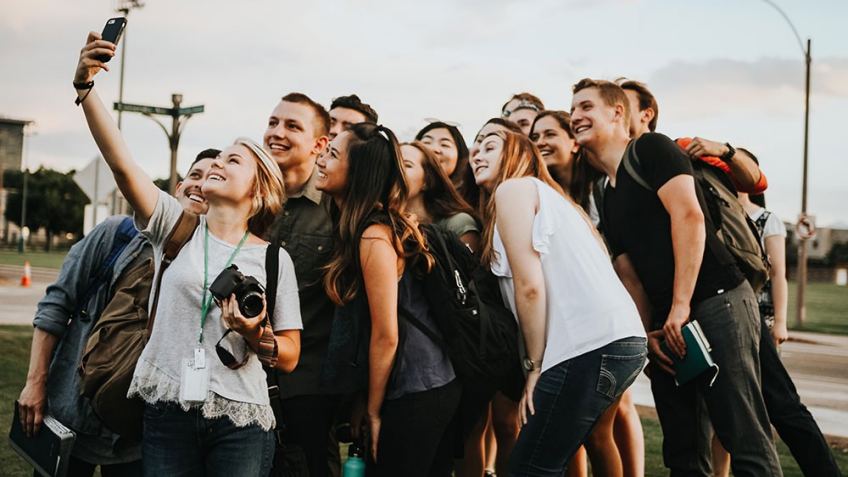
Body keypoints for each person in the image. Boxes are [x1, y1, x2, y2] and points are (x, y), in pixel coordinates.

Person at [73, 32, 302, 476]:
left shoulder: (276, 260)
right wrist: (86, 87)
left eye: (232, 161)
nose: (217, 164)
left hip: (241, 420)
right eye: (217, 159)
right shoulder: (174, 227)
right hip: (168, 412)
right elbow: (122, 164)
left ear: (258, 191)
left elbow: (289, 355)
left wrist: (253, 332)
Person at [621, 79, 841, 476]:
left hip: (723, 290)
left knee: (776, 405)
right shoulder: (616, 179)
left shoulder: (673, 149)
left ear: (645, 114)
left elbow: (755, 181)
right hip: (680, 307)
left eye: (621, 102)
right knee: (701, 421)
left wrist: (723, 149)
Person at [571, 77, 783, 476]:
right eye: (573, 109)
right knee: (683, 445)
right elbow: (629, 274)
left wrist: (681, 305)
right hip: (667, 325)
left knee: (741, 432)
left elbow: (689, 216)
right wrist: (645, 335)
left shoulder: (652, 148)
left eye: (586, 106)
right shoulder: (604, 192)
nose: (575, 116)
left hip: (716, 298)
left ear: (617, 113)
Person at [17, 149, 217, 477]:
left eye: (213, 179)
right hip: (71, 412)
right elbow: (55, 306)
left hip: (140, 435)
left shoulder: (212, 269)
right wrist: (35, 383)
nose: (201, 185)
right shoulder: (117, 234)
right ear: (178, 188)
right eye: (195, 175)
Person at [471, 129, 647, 476]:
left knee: (530, 467)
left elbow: (530, 287)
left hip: (586, 346)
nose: (477, 153)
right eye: (475, 148)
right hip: (619, 341)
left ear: (518, 154)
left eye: (489, 146)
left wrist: (535, 367)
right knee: (559, 455)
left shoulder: (513, 190)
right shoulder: (562, 204)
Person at [317, 123, 461, 476]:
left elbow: (386, 334)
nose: (321, 158)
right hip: (411, 386)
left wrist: (373, 411)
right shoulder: (357, 227)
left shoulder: (374, 236)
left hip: (419, 389)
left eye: (332, 154)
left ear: (358, 173)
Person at [263, 93, 341, 477]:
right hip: (243, 379)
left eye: (292, 126)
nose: (277, 133)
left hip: (309, 387)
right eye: (273, 123)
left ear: (319, 144)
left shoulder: (337, 207)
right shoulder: (251, 199)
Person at [401, 141, 480, 251]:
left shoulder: (458, 224)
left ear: (427, 181)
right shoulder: (383, 223)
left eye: (407, 165)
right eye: (393, 164)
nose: (397, 170)